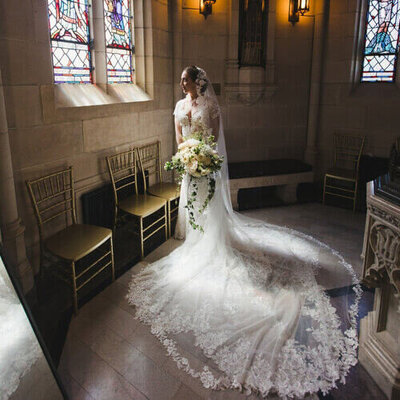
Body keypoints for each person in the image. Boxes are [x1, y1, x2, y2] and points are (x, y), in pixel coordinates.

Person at [128, 66, 361, 399]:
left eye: (186, 79)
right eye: (180, 79)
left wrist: (201, 157)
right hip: (187, 167)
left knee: (209, 212)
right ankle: (195, 241)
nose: (181, 84)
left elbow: (214, 140)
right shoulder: (179, 107)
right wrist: (185, 155)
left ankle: (214, 243)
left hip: (205, 166)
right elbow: (179, 137)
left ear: (198, 82)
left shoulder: (210, 106)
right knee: (192, 211)